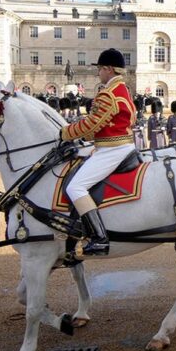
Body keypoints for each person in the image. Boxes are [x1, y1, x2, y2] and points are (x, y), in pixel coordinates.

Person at [61, 48, 135, 256]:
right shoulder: (122, 89)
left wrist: (64, 133)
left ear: (109, 69)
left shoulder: (109, 93)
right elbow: (129, 120)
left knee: (76, 187)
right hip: (116, 144)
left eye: (101, 69)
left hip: (112, 149)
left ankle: (99, 237)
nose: (98, 73)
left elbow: (91, 123)